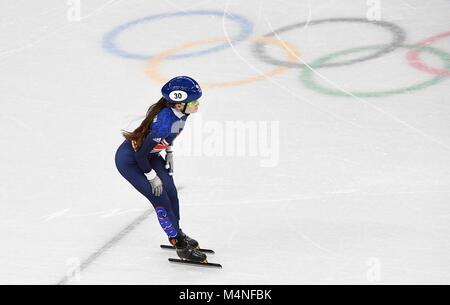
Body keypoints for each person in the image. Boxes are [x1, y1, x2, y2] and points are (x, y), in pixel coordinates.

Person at [115, 76, 206, 263]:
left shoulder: (181, 113)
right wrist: (151, 176)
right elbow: (140, 155)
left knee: (172, 192)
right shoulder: (164, 121)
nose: (198, 104)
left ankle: (177, 232)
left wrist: (169, 151)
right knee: (160, 197)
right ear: (180, 105)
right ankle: (178, 243)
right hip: (131, 161)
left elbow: (173, 133)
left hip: (150, 155)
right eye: (194, 101)